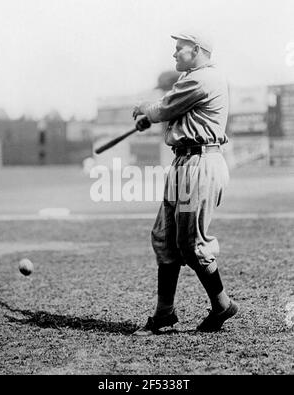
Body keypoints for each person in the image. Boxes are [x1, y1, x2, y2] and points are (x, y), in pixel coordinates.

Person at [132, 31, 238, 335]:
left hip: (201, 163)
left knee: (192, 244)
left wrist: (145, 109)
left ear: (198, 50)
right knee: (164, 237)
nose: (174, 54)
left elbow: (165, 107)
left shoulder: (203, 78)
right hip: (184, 161)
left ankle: (222, 305)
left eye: (180, 49)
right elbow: (177, 112)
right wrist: (152, 118)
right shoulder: (195, 78)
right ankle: (164, 313)